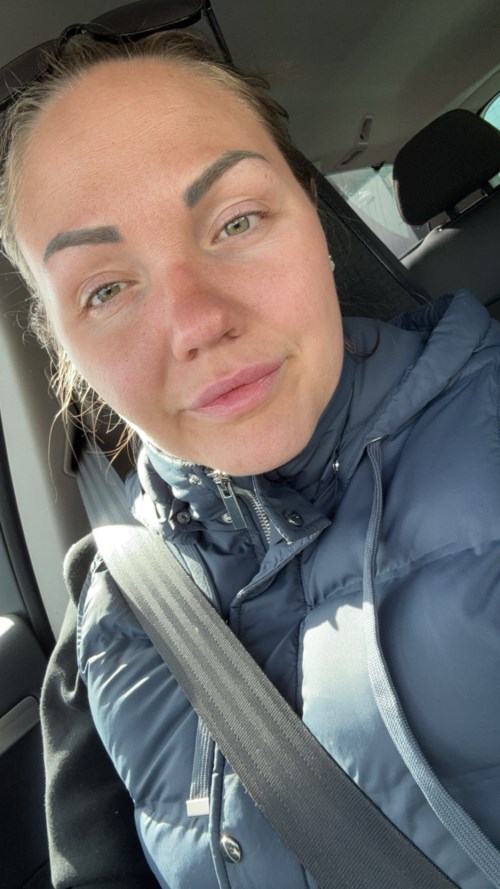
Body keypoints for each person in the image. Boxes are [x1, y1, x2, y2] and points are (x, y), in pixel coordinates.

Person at [0, 25, 499, 889]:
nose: (198, 323)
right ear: (64, 348)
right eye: (106, 288)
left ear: (316, 217)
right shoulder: (110, 629)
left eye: (236, 221)